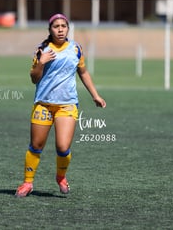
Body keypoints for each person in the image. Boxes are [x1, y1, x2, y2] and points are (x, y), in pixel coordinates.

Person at [15, 13, 106, 198]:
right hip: (43, 104)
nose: (60, 29)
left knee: (63, 147)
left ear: (68, 28)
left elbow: (84, 72)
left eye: (63, 26)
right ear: (50, 29)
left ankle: (61, 177)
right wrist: (40, 63)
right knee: (36, 145)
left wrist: (95, 95)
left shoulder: (75, 48)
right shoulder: (43, 49)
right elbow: (34, 79)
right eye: (56, 26)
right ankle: (27, 183)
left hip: (67, 105)